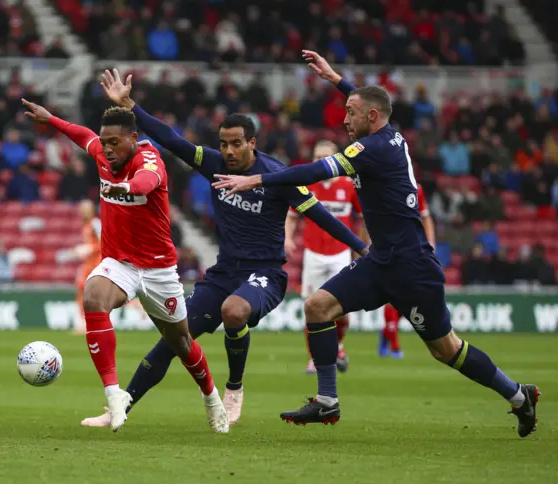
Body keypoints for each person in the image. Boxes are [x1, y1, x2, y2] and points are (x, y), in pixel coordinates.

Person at [212, 50, 539, 438]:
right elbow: (371, 102)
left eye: (350, 113)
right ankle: (327, 401)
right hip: (380, 259)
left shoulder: (373, 149)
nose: (344, 120)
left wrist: (258, 180)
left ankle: (518, 395)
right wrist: (336, 80)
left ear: (369, 118)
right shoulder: (388, 130)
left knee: (445, 350)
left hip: (412, 266)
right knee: (317, 306)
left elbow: (318, 170)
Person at [94, 69, 367, 427]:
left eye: (237, 143)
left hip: (266, 274)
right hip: (224, 273)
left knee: (234, 312)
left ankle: (234, 387)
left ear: (252, 142)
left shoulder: (276, 175)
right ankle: (120, 408)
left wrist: (362, 248)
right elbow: (171, 140)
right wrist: (131, 105)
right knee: (175, 339)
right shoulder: (214, 165)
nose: (229, 151)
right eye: (224, 144)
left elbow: (319, 214)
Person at [21, 98, 228, 434]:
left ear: (134, 138)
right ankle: (114, 394)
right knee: (93, 296)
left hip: (158, 270)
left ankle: (211, 397)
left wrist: (126, 187)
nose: (108, 149)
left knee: (182, 343)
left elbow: (147, 180)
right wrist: (52, 119)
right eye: (105, 143)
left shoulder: (150, 159)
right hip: (119, 263)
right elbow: (82, 135)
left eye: (115, 142)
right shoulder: (103, 152)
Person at [284, 140, 361, 374]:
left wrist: (362, 245)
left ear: (335, 159)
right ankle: (314, 359)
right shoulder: (307, 186)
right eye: (316, 157)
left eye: (325, 157)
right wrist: (287, 238)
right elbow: (292, 216)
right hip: (313, 255)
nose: (319, 162)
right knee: (312, 309)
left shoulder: (349, 186)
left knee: (341, 310)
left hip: (340, 254)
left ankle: (338, 346)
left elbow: (364, 217)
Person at [377, 183, 435, 358]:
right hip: (388, 250)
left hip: (413, 251)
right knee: (390, 297)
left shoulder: (417, 189)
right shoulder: (380, 186)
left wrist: (431, 243)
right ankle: (395, 346)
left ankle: (386, 332)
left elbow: (426, 217)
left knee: (410, 300)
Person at [57, 200, 102, 334]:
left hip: (96, 263)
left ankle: (89, 323)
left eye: (84, 209)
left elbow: (105, 243)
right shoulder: (86, 225)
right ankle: (84, 322)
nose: (82, 212)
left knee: (91, 294)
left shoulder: (95, 224)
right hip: (88, 263)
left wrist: (89, 248)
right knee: (81, 292)